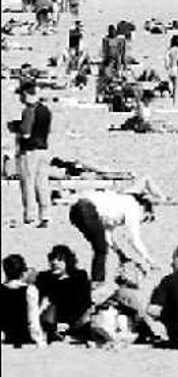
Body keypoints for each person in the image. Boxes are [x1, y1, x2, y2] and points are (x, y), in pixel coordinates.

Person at [68, 176, 166, 285]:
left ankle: (97, 281)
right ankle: (97, 281)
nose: (143, 222)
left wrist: (120, 254)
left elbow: (107, 237)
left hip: (75, 210)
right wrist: (150, 261)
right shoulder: (134, 208)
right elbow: (134, 240)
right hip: (87, 209)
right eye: (147, 218)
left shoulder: (119, 207)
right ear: (144, 209)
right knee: (101, 248)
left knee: (100, 246)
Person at [10, 80, 52, 228]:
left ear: (26, 94)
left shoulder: (29, 110)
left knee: (28, 183)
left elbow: (26, 133)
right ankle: (45, 215)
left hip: (29, 151)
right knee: (42, 184)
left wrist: (15, 128)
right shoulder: (45, 110)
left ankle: (30, 215)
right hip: (43, 150)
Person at [35, 245, 92, 342]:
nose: (54, 262)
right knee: (51, 307)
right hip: (55, 319)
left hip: (77, 317)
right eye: (52, 259)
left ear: (67, 262)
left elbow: (83, 301)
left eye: (59, 260)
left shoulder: (79, 276)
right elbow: (38, 300)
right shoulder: (45, 278)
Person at [1, 255, 46, 347]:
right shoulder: (30, 290)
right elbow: (33, 318)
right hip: (25, 337)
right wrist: (40, 340)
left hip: (7, 336)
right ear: (22, 272)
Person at [164, 35, 178, 104]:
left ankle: (172, 97)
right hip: (176, 67)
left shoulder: (169, 50)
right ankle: (174, 101)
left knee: (172, 83)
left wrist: (167, 66)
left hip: (170, 68)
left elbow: (166, 58)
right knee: (176, 85)